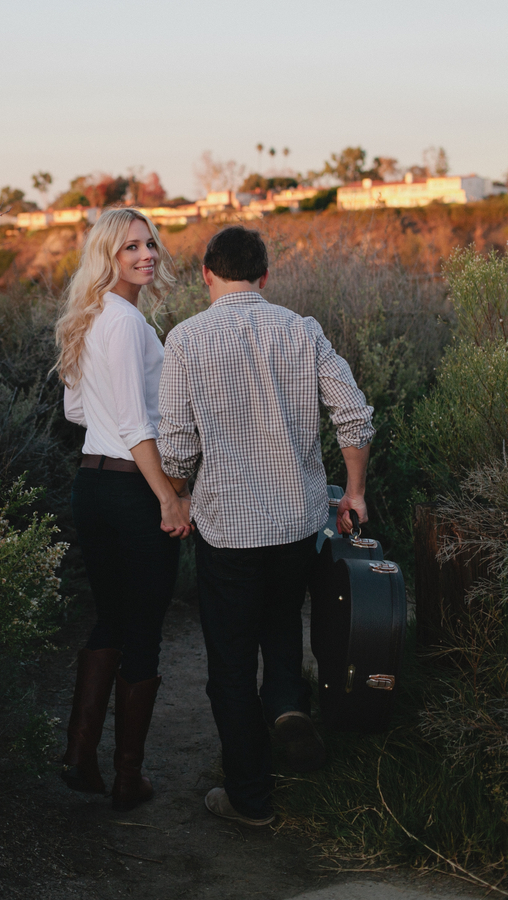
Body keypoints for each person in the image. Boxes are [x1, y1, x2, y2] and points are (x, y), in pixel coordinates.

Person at [157, 226, 375, 827]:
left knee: (230, 662)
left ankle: (249, 799)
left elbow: (175, 448)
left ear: (206, 274)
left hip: (228, 529)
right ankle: (284, 704)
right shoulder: (302, 331)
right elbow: (353, 416)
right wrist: (354, 492)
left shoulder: (186, 339)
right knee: (281, 621)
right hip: (297, 523)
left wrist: (179, 493)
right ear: (265, 276)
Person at [55, 207, 191, 811]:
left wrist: (116, 426)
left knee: (110, 617)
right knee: (143, 629)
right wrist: (169, 498)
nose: (147, 255)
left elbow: (76, 412)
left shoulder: (88, 317)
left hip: (90, 485)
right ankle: (127, 778)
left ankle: (79, 757)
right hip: (135, 490)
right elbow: (137, 425)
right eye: (130, 247)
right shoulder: (130, 323)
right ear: (107, 257)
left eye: (150, 244)